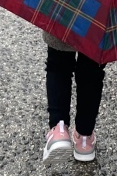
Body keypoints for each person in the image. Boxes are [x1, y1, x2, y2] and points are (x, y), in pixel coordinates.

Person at [42, 30, 106, 164]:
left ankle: (59, 130)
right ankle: (85, 137)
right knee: (92, 69)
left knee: (58, 62)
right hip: (98, 19)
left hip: (67, 10)